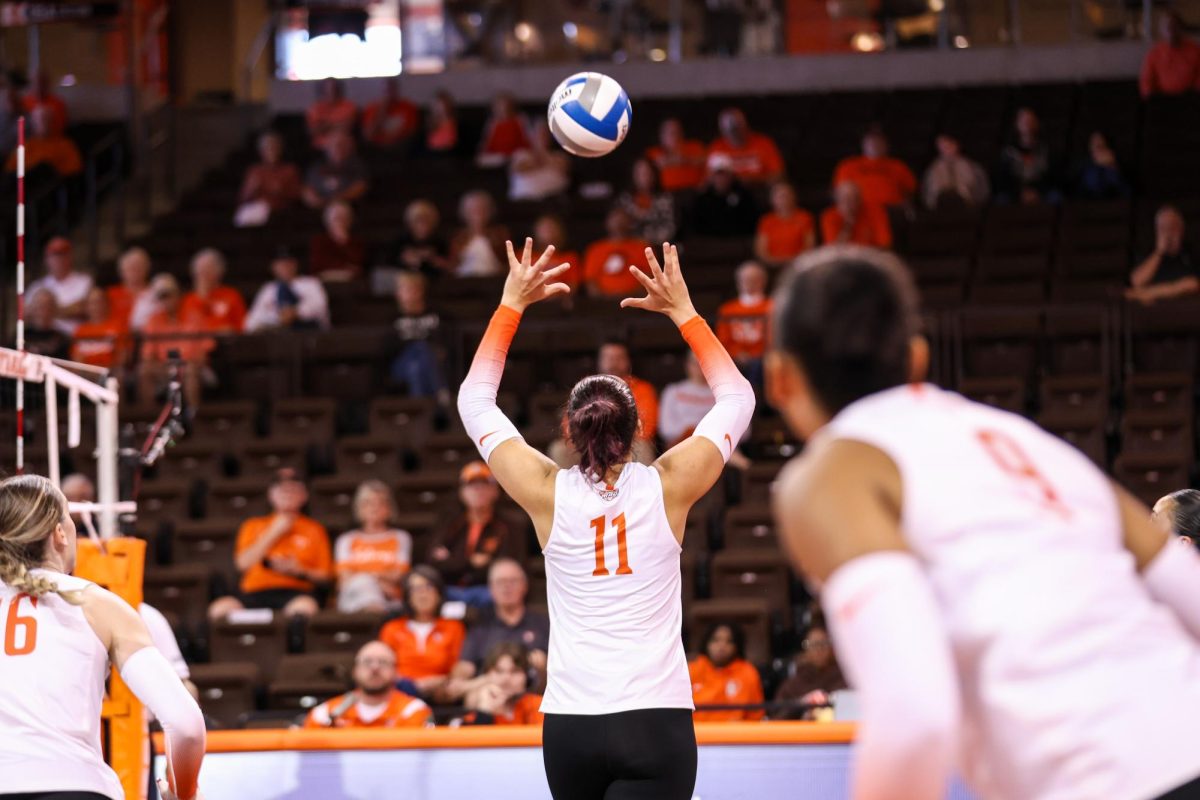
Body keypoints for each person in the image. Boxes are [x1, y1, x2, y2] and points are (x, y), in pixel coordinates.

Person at [767, 244, 1200, 800]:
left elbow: (914, 713)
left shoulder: (829, 473)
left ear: (779, 379)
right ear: (917, 359)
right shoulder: (1025, 441)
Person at [457, 239, 755, 800]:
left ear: (570, 433)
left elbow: (475, 401)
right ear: (639, 426)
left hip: (571, 723)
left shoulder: (546, 492)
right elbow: (737, 399)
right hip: (655, 717)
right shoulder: (669, 485)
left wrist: (510, 304)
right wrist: (684, 312)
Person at [0, 474, 205, 800]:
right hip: (72, 783)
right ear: (59, 535)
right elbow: (186, 725)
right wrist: (184, 794)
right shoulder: (98, 604)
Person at [207, 468, 332, 621]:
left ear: (304, 495)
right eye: (282, 489)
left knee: (304, 608)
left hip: (294, 591)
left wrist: (299, 570)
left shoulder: (315, 529)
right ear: (271, 495)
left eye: (293, 489)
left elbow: (325, 576)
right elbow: (242, 564)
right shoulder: (252, 525)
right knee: (219, 609)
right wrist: (274, 531)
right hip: (254, 591)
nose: (287, 493)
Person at [447, 558, 550, 699]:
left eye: (513, 581)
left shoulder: (543, 624)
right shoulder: (480, 626)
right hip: (489, 697)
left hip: (533, 696)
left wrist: (542, 669)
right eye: (500, 582)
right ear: (490, 588)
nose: (506, 587)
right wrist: (476, 679)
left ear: (525, 586)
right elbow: (461, 675)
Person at [427, 462, 526, 605]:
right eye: (471, 485)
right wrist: (470, 562)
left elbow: (509, 566)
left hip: (488, 591)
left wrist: (453, 560)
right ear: (462, 492)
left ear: (495, 491)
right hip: (450, 590)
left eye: (484, 485)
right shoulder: (448, 523)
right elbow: (433, 562)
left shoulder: (509, 526)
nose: (478, 490)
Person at [378, 565, 466, 698]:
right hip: (399, 693)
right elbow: (384, 667)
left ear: (439, 593)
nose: (423, 593)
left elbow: (459, 667)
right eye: (416, 589)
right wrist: (413, 685)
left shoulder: (454, 627)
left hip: (442, 694)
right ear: (407, 595)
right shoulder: (392, 628)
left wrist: (443, 682)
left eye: (429, 587)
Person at [303, 640, 432, 729]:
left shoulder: (413, 710)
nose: (375, 668)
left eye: (383, 662)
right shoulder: (325, 714)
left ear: (396, 672)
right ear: (354, 671)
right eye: (367, 662)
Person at [334, 481, 413, 614]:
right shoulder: (346, 540)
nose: (374, 508)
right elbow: (344, 581)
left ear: (389, 508)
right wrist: (375, 581)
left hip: (390, 599)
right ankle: (375, 611)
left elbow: (399, 576)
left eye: (380, 503)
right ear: (359, 508)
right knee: (364, 584)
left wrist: (365, 576)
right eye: (368, 503)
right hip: (353, 599)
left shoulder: (401, 538)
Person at [138, 274, 213, 410]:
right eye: (162, 297)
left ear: (178, 295)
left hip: (192, 366)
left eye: (169, 295)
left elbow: (204, 352)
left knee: (190, 370)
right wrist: (166, 367)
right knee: (144, 371)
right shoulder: (153, 320)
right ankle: (150, 418)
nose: (166, 300)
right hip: (164, 367)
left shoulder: (195, 317)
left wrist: (187, 365)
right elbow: (147, 356)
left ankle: (194, 418)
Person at [387, 271, 447, 400]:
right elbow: (388, 351)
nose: (399, 293)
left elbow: (448, 342)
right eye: (402, 289)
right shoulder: (393, 318)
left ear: (420, 291)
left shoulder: (437, 315)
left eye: (409, 289)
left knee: (416, 368)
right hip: (401, 364)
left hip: (432, 362)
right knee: (420, 347)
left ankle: (419, 410)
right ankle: (442, 394)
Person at [770, 619, 846, 721]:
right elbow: (777, 718)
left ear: (831, 648)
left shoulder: (843, 680)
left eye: (823, 643)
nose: (819, 650)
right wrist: (801, 706)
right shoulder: (792, 686)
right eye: (813, 645)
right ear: (806, 651)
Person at [688, 621, 765, 722]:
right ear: (706, 643)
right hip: (696, 733)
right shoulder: (692, 670)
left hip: (735, 735)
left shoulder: (748, 672)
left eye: (729, 641)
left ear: (737, 646)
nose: (722, 646)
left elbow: (756, 715)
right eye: (715, 640)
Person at [716, 260, 772, 388]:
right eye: (744, 279)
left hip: (763, 360)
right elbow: (723, 340)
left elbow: (773, 338)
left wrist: (756, 354)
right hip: (735, 359)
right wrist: (737, 353)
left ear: (762, 281)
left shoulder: (771, 307)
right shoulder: (727, 310)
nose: (748, 283)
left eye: (753, 279)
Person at [1127, 205, 1199, 305]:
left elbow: (1192, 284)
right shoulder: (1148, 252)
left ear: (1181, 229)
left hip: (1185, 309)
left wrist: (1148, 293)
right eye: (1163, 228)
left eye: (1172, 227)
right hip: (1155, 311)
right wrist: (1159, 252)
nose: (1168, 233)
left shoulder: (1190, 252)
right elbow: (1136, 281)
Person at [460, 642, 544, 725]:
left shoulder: (539, 706)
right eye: (499, 671)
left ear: (527, 676)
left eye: (515, 671)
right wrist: (485, 711)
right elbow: (475, 737)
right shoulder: (477, 710)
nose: (506, 678)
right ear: (487, 675)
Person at [244, 251, 331, 331]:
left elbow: (320, 308)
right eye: (281, 264)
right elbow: (251, 321)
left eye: (289, 263)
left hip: (309, 334)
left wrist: (296, 312)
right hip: (278, 336)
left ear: (296, 264)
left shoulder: (310, 283)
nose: (285, 267)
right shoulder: (268, 289)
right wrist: (277, 317)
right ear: (273, 267)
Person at [833, 127, 916, 209]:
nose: (875, 144)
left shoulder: (898, 166)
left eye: (879, 141)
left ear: (886, 145)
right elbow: (840, 193)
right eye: (871, 140)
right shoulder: (848, 166)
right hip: (860, 211)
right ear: (863, 144)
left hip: (891, 211)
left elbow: (910, 192)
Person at [995, 107, 1059, 205]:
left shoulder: (1046, 151)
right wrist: (1020, 193)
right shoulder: (1008, 152)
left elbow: (1052, 177)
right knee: (1002, 200)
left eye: (1030, 120)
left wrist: (1037, 192)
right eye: (1023, 120)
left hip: (1040, 191)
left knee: (1056, 197)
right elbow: (1003, 179)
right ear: (1017, 123)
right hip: (1015, 192)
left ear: (1036, 123)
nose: (1027, 124)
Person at [583, 207, 652, 297]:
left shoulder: (642, 248)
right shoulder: (595, 249)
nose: (619, 224)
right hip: (603, 304)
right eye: (615, 219)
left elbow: (649, 278)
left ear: (630, 223)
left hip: (636, 303)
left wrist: (632, 298)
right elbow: (590, 281)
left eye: (623, 220)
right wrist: (604, 300)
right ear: (607, 222)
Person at [688, 154, 760, 238]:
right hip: (710, 243)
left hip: (739, 241)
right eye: (717, 175)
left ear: (731, 176)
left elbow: (751, 222)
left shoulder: (744, 196)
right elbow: (696, 226)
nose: (721, 179)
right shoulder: (702, 198)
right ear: (711, 177)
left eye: (724, 174)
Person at [29, 237, 92, 331]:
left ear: (70, 256)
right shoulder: (37, 285)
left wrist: (46, 310)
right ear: (46, 259)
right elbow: (27, 313)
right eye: (54, 255)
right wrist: (69, 309)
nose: (59, 259)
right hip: (45, 339)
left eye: (63, 254)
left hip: (75, 336)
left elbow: (84, 308)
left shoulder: (84, 281)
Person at [707, 107, 784, 184]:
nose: (735, 134)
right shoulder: (717, 147)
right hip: (730, 191)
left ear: (745, 126)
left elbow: (777, 175)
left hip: (760, 189)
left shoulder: (763, 143)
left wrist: (752, 180)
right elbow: (710, 179)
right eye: (731, 131)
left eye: (737, 128)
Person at [4, 105, 81, 177]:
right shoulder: (25, 146)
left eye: (46, 119)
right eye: (38, 120)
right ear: (33, 123)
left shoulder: (65, 145)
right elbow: (11, 171)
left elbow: (74, 173)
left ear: (52, 122)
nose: (43, 123)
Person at [180, 248, 246, 333]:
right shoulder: (187, 300)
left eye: (208, 268)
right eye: (200, 269)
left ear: (219, 271)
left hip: (224, 344)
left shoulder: (231, 296)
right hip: (194, 344)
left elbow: (242, 328)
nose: (203, 273)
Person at [659, 353, 717, 449]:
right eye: (695, 363)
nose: (699, 367)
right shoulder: (672, 391)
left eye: (703, 363)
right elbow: (666, 429)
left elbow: (741, 432)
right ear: (687, 365)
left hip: (714, 444)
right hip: (680, 445)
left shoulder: (722, 393)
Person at [921, 132, 991, 210]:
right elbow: (929, 193)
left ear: (955, 145)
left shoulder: (970, 166)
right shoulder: (934, 168)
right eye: (941, 147)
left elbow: (981, 191)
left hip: (966, 206)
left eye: (947, 146)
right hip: (940, 207)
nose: (943, 150)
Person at [302, 130, 369, 210]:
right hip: (322, 208)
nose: (337, 148)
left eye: (342, 145)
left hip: (347, 206)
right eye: (333, 145)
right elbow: (307, 189)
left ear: (350, 147)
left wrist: (337, 198)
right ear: (327, 147)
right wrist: (314, 199)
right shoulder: (317, 167)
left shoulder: (357, 165)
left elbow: (360, 187)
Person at [238, 131, 302, 215]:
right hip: (257, 211)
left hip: (280, 212)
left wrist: (281, 191)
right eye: (268, 148)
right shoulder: (254, 170)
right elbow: (242, 198)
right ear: (261, 152)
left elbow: (296, 195)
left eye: (275, 147)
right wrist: (251, 189)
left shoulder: (289, 169)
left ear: (280, 150)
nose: (272, 151)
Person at [616, 159, 676, 245]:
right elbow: (616, 227)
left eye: (647, 173)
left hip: (657, 246)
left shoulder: (665, 200)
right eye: (639, 173)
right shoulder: (625, 200)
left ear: (654, 174)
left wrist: (646, 241)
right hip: (630, 246)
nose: (643, 177)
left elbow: (669, 229)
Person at [1140, 10, 1200, 98]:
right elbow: (1146, 81)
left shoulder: (1195, 50)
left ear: (1181, 28)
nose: (1171, 31)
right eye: (1167, 27)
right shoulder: (1154, 54)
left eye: (1174, 27)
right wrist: (1150, 98)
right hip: (1162, 100)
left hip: (1190, 99)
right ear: (1161, 30)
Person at [755, 182, 815, 267]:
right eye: (780, 197)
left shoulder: (804, 217)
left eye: (787, 195)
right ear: (772, 200)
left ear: (794, 197)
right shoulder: (766, 221)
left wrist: (794, 261)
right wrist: (775, 262)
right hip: (773, 266)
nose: (784, 200)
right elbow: (761, 250)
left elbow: (809, 245)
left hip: (799, 264)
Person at [451, 190, 509, 277]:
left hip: (494, 279)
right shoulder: (459, 237)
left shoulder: (500, 233)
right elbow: (454, 263)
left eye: (482, 209)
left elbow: (505, 259)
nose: (478, 214)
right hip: (464, 280)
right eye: (473, 210)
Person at [509, 120, 570, 202]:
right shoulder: (521, 154)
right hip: (523, 201)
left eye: (545, 134)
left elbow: (564, 168)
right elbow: (518, 168)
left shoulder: (559, 155)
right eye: (538, 133)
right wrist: (540, 161)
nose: (542, 137)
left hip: (553, 200)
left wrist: (543, 159)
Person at [820, 181, 892, 249]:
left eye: (854, 198)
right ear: (837, 200)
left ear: (860, 198)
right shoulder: (829, 216)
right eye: (845, 199)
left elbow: (885, 244)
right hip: (844, 258)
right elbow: (834, 249)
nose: (849, 203)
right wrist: (848, 224)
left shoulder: (875, 210)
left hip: (870, 256)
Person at [391, 199, 450, 279]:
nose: (422, 224)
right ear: (410, 222)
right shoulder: (401, 241)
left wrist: (433, 259)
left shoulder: (440, 242)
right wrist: (406, 259)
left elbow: (447, 265)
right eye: (418, 220)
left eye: (427, 219)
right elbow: (392, 263)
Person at [645, 118, 708, 192]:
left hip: (695, 192)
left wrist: (684, 160)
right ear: (661, 135)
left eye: (676, 131)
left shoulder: (695, 147)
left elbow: (707, 162)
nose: (674, 135)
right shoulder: (653, 153)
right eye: (669, 132)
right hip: (665, 194)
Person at [71, 287, 128, 370]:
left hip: (111, 371)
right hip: (86, 373)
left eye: (99, 301)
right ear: (87, 306)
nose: (96, 306)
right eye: (92, 303)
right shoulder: (80, 330)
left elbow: (123, 357)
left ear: (106, 303)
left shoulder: (118, 326)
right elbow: (77, 359)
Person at [309, 200, 365, 282]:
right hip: (325, 278)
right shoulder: (319, 241)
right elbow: (318, 264)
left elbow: (357, 263)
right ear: (328, 221)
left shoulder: (356, 241)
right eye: (337, 218)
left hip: (350, 280)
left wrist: (344, 241)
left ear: (350, 221)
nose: (341, 222)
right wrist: (344, 266)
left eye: (344, 218)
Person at [107, 246, 158, 331]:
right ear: (121, 270)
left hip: (148, 339)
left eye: (139, 266)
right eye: (131, 267)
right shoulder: (110, 294)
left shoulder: (156, 293)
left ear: (147, 268)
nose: (135, 270)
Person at [362, 77, 420, 151]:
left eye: (392, 89)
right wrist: (382, 112)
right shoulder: (372, 108)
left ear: (397, 90)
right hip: (376, 147)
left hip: (400, 147)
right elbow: (368, 136)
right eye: (386, 90)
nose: (389, 93)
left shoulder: (408, 108)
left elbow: (411, 133)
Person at [477, 91, 530, 166]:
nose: (503, 110)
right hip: (498, 155)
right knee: (482, 159)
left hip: (516, 154)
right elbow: (487, 141)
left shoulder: (520, 120)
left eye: (506, 106)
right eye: (499, 107)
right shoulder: (492, 124)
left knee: (524, 156)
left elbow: (527, 137)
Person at [1073, 131, 1129, 200]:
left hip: (1113, 202)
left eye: (1101, 143)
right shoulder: (1083, 165)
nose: (1098, 146)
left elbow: (1125, 189)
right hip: (1087, 201)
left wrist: (1112, 166)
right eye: (1095, 143)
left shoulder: (1115, 164)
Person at [533, 214, 582, 292]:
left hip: (558, 301)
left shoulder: (570, 257)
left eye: (551, 227)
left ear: (560, 231)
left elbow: (572, 287)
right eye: (544, 227)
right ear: (535, 230)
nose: (548, 231)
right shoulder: (524, 255)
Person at [306, 77, 358, 148]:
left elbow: (346, 128)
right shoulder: (315, 108)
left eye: (334, 89)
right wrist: (336, 124)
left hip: (343, 145)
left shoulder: (349, 106)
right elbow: (314, 130)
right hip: (320, 146)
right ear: (323, 90)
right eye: (328, 89)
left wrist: (324, 124)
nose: (331, 92)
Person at [21, 289, 72, 359]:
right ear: (33, 308)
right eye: (39, 305)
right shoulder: (21, 335)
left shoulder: (62, 339)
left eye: (47, 306)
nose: (43, 311)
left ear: (54, 309)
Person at [19, 69, 68, 135]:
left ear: (48, 84)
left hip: (53, 140)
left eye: (43, 82)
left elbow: (61, 126)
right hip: (30, 140)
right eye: (36, 83)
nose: (39, 86)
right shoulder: (23, 103)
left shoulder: (58, 103)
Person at [426, 89, 459, 154]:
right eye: (435, 104)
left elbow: (451, 141)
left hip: (446, 152)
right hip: (431, 152)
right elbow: (429, 141)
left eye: (441, 105)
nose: (438, 107)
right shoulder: (431, 121)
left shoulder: (451, 121)